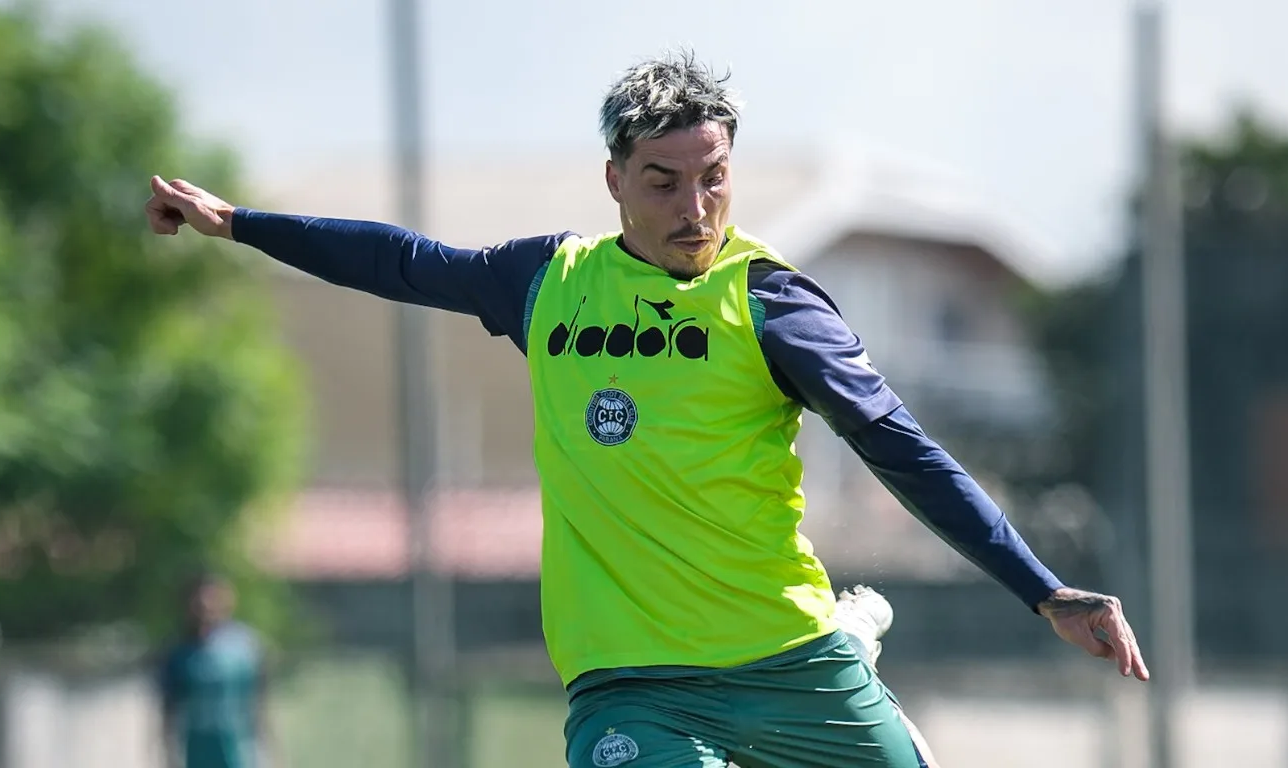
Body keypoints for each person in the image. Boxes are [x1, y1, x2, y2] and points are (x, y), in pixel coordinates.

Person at [144, 49, 1147, 768]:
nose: (694, 208)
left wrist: (1042, 588)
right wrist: (236, 223)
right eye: (664, 183)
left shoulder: (773, 307)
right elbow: (401, 261)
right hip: (632, 687)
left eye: (713, 180)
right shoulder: (550, 283)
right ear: (616, 179)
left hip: (793, 662)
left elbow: (903, 451)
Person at [156, 572, 273, 768]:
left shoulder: (246, 647)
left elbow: (260, 705)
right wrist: (169, 759)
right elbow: (168, 712)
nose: (205, 609)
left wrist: (272, 755)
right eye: (199, 604)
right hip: (197, 753)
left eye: (212, 602)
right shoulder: (177, 653)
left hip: (240, 751)